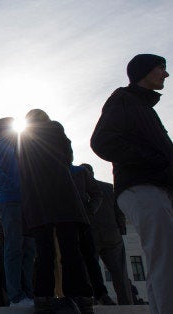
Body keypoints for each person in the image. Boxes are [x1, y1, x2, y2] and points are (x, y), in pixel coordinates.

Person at [91, 54, 172, 314]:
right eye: (161, 68)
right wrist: (151, 162)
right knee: (165, 257)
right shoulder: (123, 99)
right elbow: (102, 141)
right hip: (142, 186)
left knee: (163, 259)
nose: (166, 74)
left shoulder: (144, 107)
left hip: (155, 187)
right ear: (145, 71)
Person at [18, 109, 93, 314]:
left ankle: (43, 298)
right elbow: (68, 157)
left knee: (44, 252)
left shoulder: (22, 138)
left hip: (38, 199)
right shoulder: (55, 128)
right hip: (62, 195)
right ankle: (79, 298)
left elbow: (22, 167)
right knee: (70, 249)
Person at [0, 117, 36, 307]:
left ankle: (28, 293)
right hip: (10, 201)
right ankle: (16, 296)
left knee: (29, 247)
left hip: (28, 202)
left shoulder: (23, 149)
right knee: (14, 247)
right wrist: (17, 186)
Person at [81, 163, 133, 305]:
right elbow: (120, 211)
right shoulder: (109, 188)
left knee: (90, 270)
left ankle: (94, 301)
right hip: (112, 234)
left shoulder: (80, 190)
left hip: (91, 235)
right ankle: (126, 304)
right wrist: (121, 229)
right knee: (120, 273)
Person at [70, 163, 116, 305]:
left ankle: (100, 293)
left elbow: (96, 194)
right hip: (65, 222)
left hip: (83, 221)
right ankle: (81, 294)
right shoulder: (55, 171)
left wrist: (89, 211)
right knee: (74, 259)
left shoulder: (79, 172)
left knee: (90, 259)